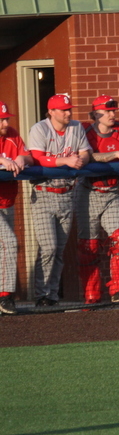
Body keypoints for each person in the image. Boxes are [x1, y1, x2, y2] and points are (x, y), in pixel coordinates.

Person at [28, 94, 92, 307]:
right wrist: (66, 160)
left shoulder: (76, 127)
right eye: (63, 110)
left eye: (69, 109)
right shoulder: (40, 128)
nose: (68, 113)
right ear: (51, 112)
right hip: (44, 193)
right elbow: (37, 158)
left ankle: (52, 296)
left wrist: (80, 160)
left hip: (67, 194)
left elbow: (85, 153)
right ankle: (41, 294)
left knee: (59, 250)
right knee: (49, 247)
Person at [78, 94, 119, 304]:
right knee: (88, 247)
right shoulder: (85, 131)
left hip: (112, 193)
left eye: (113, 110)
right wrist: (116, 155)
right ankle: (92, 296)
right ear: (96, 113)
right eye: (107, 111)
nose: (112, 114)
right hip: (87, 192)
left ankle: (118, 290)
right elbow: (87, 157)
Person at [0, 100, 32, 315]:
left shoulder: (12, 134)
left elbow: (28, 156)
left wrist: (21, 158)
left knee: (4, 248)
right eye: (1, 120)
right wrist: (3, 161)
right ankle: (5, 297)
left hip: (8, 201)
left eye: (6, 119)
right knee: (10, 243)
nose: (5, 123)